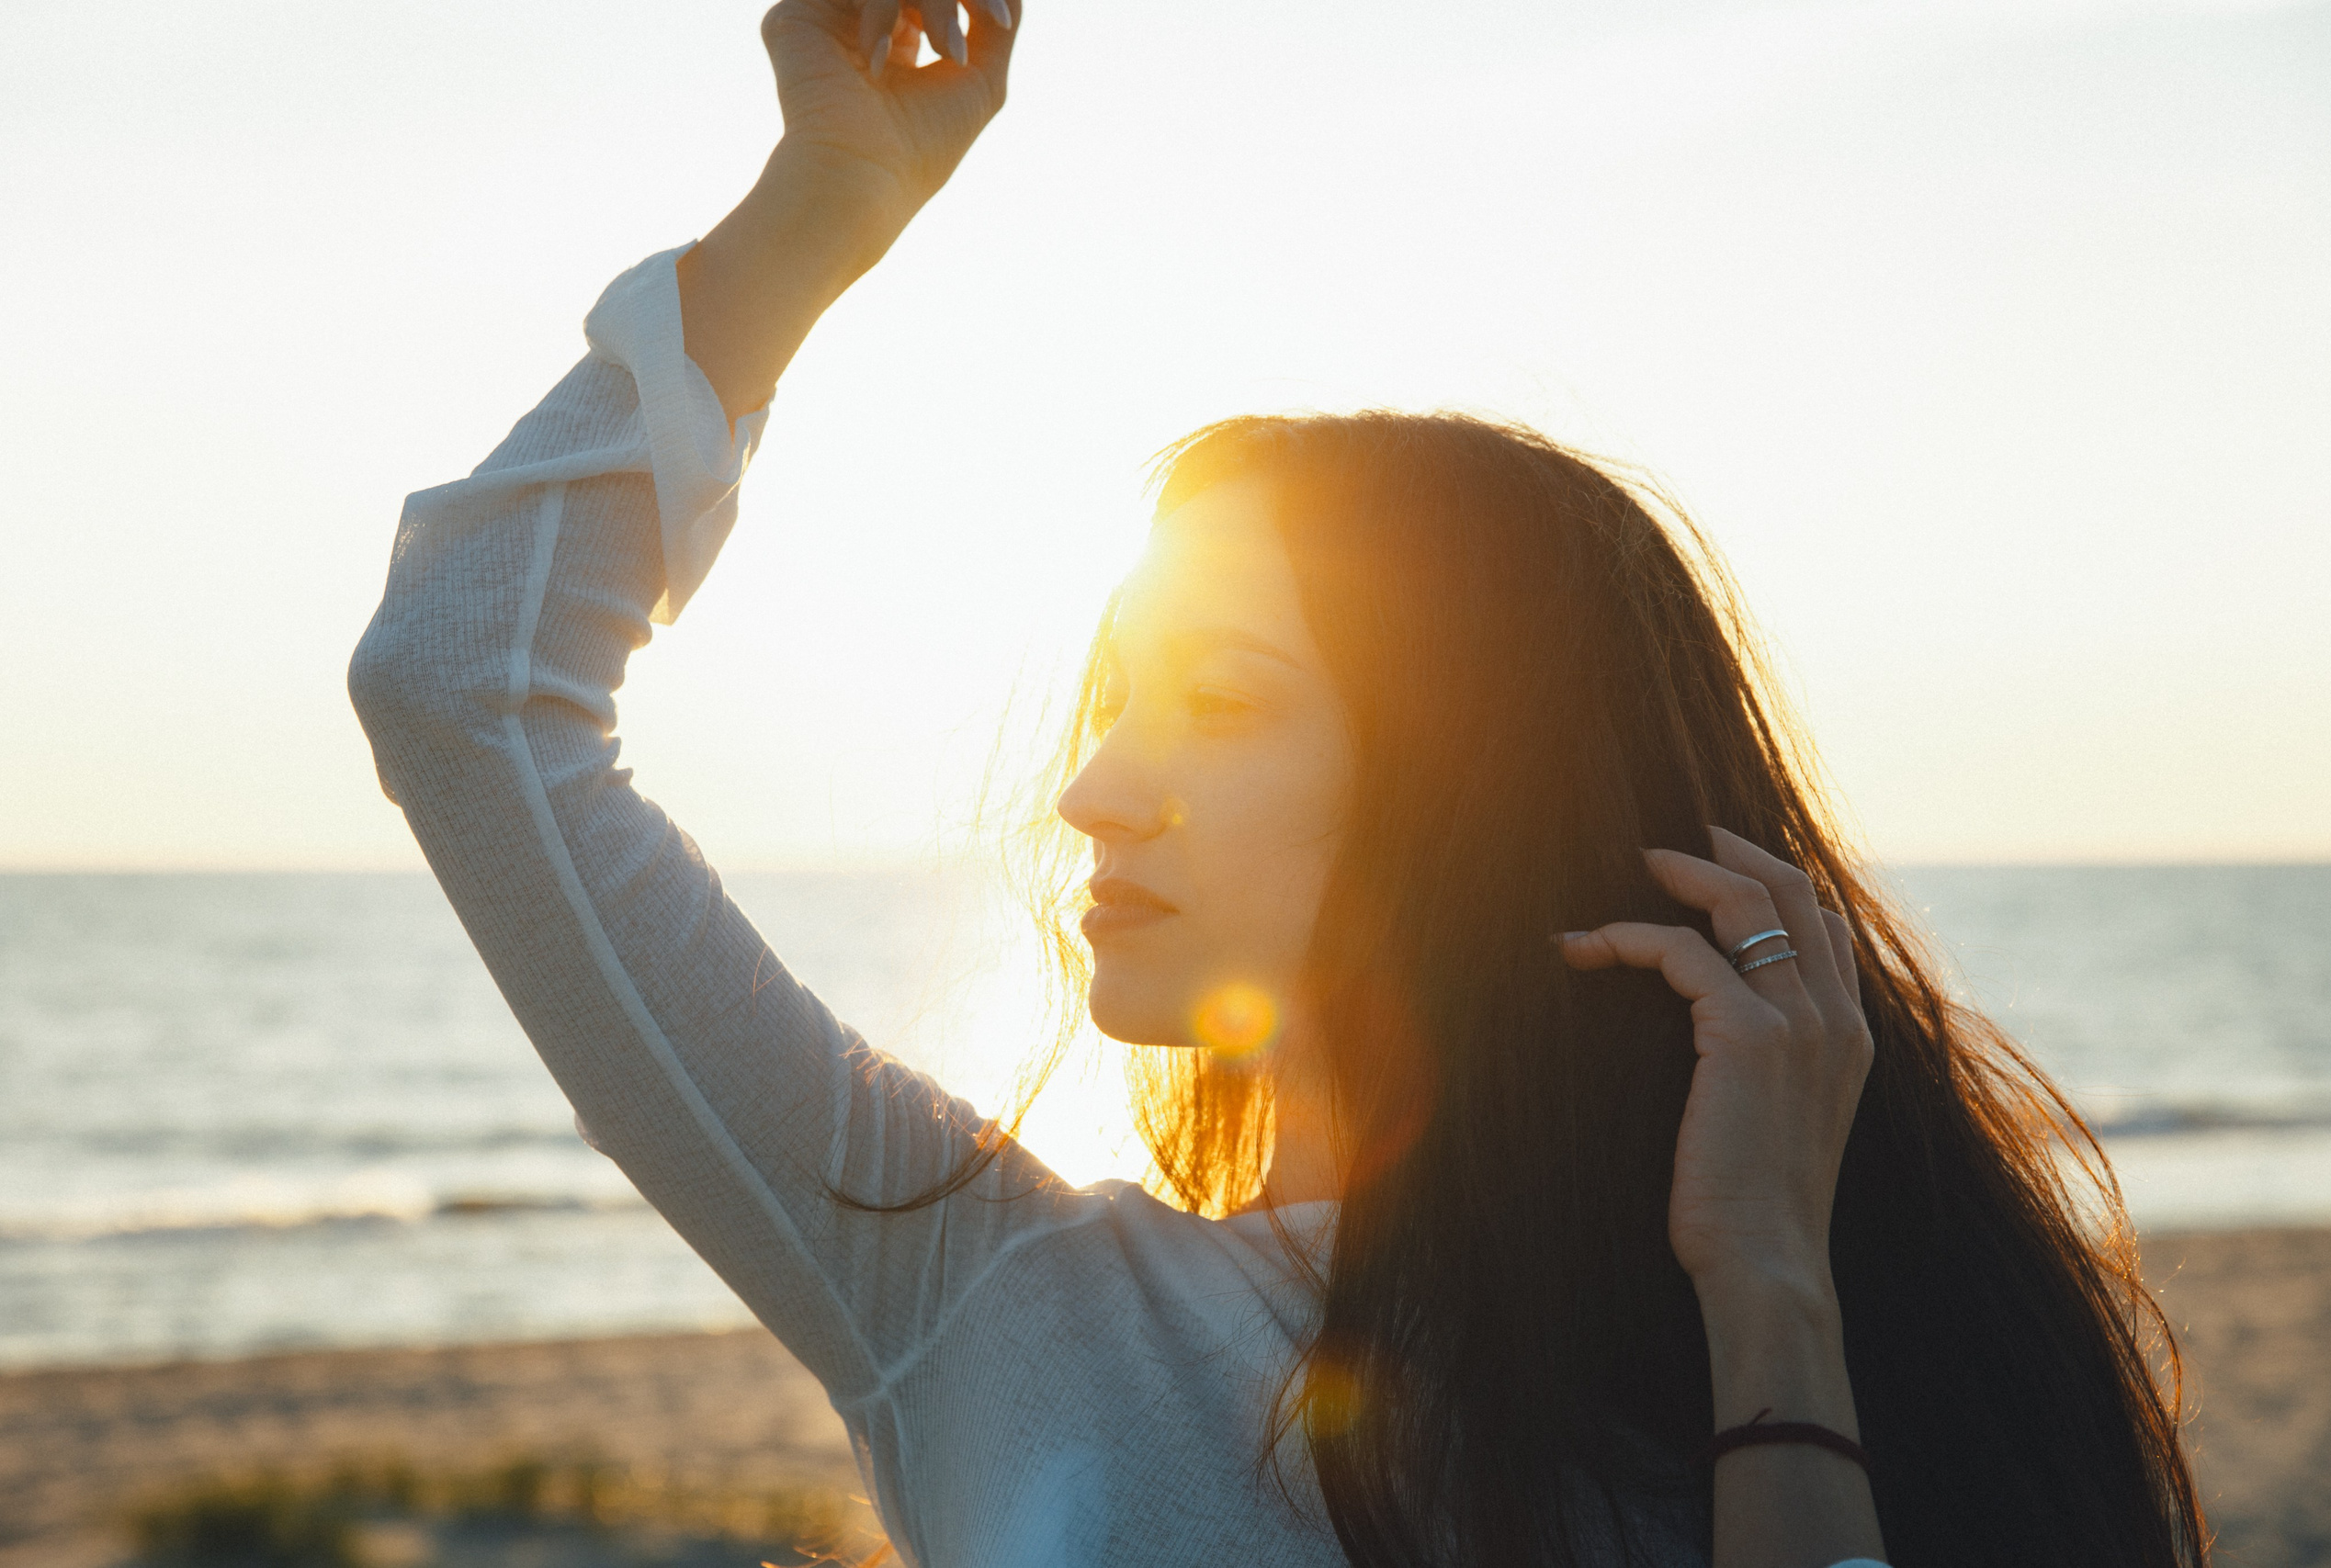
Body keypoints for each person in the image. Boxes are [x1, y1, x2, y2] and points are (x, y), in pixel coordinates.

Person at [348, 3, 2206, 1564]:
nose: (1094, 793)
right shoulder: (969, 1285)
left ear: (1473, 775)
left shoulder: (1817, 1352)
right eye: (1114, 703)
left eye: (1220, 704)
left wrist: (1767, 1292)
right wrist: (809, 218)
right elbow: (457, 690)